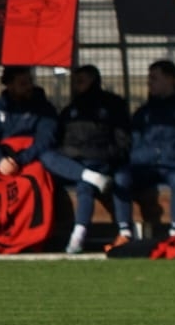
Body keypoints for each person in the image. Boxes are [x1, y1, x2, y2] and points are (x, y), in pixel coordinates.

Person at [41, 65, 132, 254]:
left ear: (93, 80)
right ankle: (88, 177)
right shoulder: (70, 110)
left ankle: (79, 234)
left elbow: (122, 140)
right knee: (46, 156)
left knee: (85, 185)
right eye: (75, 81)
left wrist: (106, 156)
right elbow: (60, 139)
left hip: (101, 162)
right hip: (74, 162)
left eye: (80, 81)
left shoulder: (111, 105)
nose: (75, 85)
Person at [122, 60, 175, 250]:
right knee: (121, 178)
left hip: (174, 164)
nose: (149, 83)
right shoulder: (144, 112)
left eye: (154, 78)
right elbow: (134, 140)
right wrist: (140, 157)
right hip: (145, 165)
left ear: (170, 79)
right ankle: (124, 231)